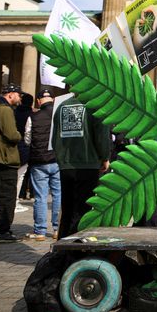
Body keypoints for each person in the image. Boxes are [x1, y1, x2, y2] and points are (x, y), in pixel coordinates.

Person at [52, 94, 112, 239]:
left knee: (67, 210)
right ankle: (76, 250)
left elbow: (54, 138)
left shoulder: (61, 106)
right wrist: (105, 157)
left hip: (66, 165)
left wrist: (61, 159)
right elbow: (101, 137)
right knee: (83, 210)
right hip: (88, 163)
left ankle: (62, 250)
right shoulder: (95, 106)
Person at [0, 83, 24, 243]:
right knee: (7, 197)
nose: (20, 98)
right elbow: (11, 134)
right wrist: (19, 135)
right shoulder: (5, 110)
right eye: (19, 95)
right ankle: (3, 231)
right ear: (10, 95)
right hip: (4, 158)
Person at [23, 89, 61, 240]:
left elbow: (27, 139)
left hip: (39, 161)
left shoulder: (33, 116)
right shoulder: (59, 115)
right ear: (53, 99)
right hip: (57, 160)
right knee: (58, 195)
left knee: (40, 197)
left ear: (38, 101)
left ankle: (40, 231)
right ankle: (58, 229)